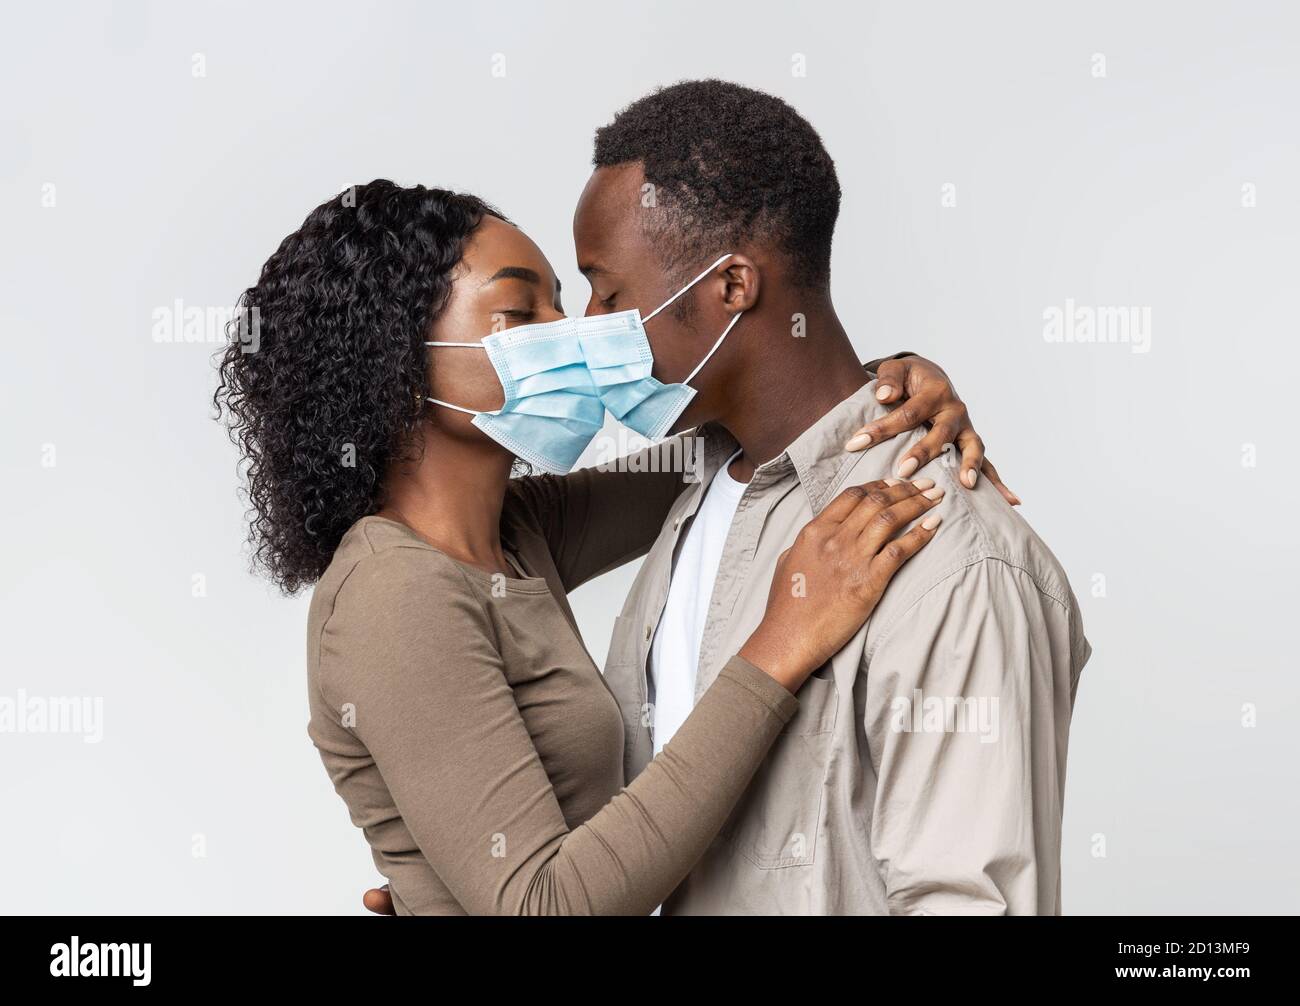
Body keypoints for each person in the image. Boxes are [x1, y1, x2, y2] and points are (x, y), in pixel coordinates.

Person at [215, 179, 992, 914]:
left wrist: (894, 380)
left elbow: (741, 432)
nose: (574, 331)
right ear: (396, 361)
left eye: (567, 300)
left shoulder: (517, 535)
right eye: (521, 312)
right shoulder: (395, 592)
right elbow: (545, 903)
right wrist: (781, 647)